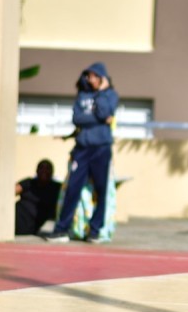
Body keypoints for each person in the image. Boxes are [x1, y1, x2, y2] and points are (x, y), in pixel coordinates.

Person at [46, 62, 119, 243]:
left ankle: (95, 230)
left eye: (94, 75)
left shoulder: (110, 95)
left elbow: (104, 113)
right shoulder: (82, 95)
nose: (90, 79)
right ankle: (61, 229)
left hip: (101, 149)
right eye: (88, 75)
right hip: (82, 149)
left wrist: (101, 93)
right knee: (73, 187)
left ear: (102, 78)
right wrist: (99, 119)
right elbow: (77, 118)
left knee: (101, 190)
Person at [15, 159, 62, 235]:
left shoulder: (57, 187)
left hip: (35, 229)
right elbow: (8, 193)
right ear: (37, 170)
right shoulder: (29, 182)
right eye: (41, 168)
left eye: (47, 168)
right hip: (17, 220)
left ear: (52, 172)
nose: (44, 171)